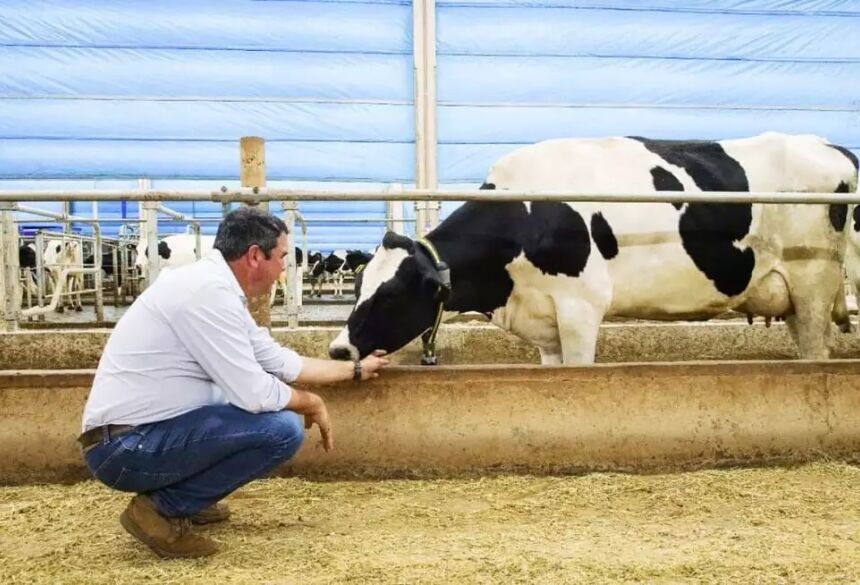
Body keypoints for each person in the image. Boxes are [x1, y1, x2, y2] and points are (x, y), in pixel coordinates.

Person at [78, 207, 389, 558]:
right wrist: (310, 402)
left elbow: (280, 361)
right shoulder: (205, 294)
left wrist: (358, 369)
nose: (285, 268)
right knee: (281, 429)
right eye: (283, 257)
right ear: (256, 256)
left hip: (135, 437)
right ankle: (163, 509)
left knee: (243, 410)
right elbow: (254, 393)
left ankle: (187, 500)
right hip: (125, 449)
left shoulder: (212, 288)